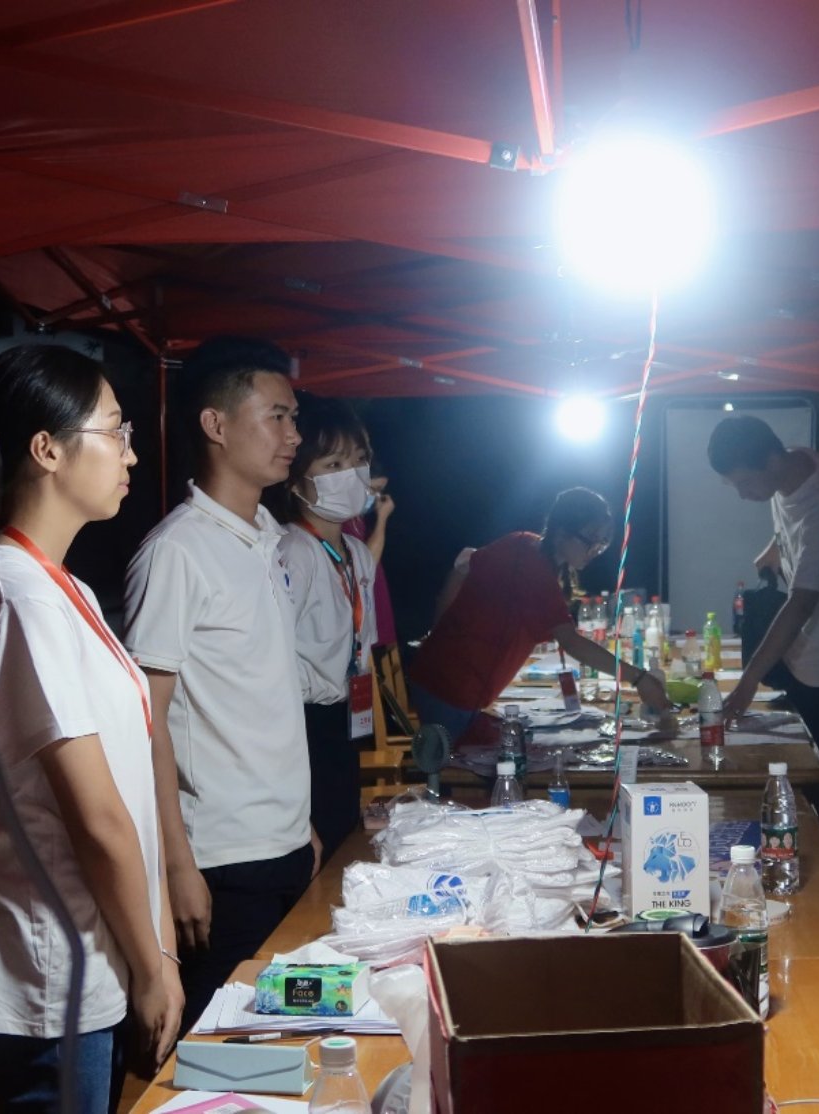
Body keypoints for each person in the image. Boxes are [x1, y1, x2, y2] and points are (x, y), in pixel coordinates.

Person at [0, 346, 181, 1113]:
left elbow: (127, 790)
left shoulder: (61, 588)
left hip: (91, 952)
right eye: (115, 431)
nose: (130, 454)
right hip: (49, 971)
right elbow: (97, 817)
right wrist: (153, 967)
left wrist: (157, 948)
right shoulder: (16, 597)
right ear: (47, 449)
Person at [123, 336, 318, 1032]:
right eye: (277, 416)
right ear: (216, 424)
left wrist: (300, 825)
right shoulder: (176, 552)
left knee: (284, 1037)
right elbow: (144, 720)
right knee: (220, 1047)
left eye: (294, 418)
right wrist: (178, 867)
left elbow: (260, 696)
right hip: (222, 860)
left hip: (284, 841)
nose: (294, 436)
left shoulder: (265, 536)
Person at [409, 487, 670, 742]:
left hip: (452, 681)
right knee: (455, 766)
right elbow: (571, 642)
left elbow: (463, 565)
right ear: (561, 532)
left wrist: (440, 631)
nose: (594, 549)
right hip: (450, 688)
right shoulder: (534, 567)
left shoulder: (524, 544)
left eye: (602, 542)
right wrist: (638, 678)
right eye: (590, 539)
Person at [706, 416, 819, 821]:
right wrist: (774, 549)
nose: (743, 495)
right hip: (800, 652)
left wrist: (748, 681)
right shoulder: (793, 464)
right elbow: (790, 535)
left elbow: (800, 604)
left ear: (771, 461)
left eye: (744, 483)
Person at [277, 392, 394, 861]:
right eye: (332, 465)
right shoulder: (292, 551)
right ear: (295, 480)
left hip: (348, 712)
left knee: (345, 831)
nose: (351, 475)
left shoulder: (357, 551)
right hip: (304, 723)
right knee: (317, 844)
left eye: (359, 460)